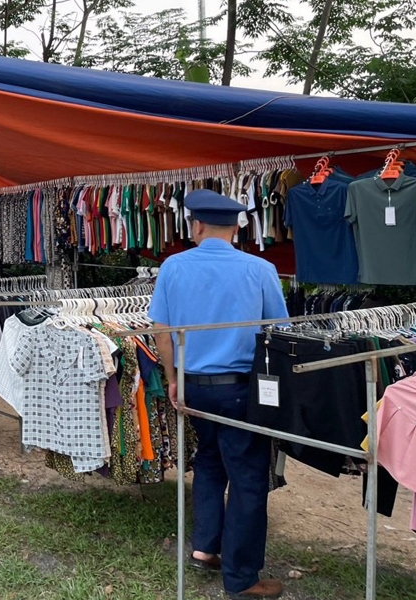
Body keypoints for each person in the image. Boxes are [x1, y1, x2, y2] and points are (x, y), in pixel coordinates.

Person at [148, 190, 288, 600]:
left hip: (194, 386)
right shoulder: (261, 270)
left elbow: (161, 331)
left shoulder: (173, 267)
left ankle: (205, 548)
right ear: (235, 228)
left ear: (198, 225)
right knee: (246, 477)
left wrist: (173, 379)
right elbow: (278, 331)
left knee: (209, 461)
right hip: (240, 390)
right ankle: (242, 578)